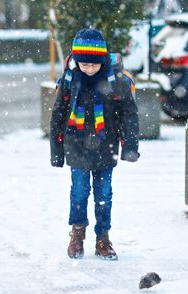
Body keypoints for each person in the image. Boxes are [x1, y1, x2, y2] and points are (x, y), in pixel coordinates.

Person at [50, 28, 139, 261]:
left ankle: (103, 238)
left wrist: (130, 146)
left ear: (102, 60)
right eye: (84, 64)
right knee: (79, 193)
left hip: (105, 144)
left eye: (94, 65)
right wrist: (56, 151)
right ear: (77, 61)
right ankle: (77, 235)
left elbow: (129, 113)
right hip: (76, 143)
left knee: (104, 194)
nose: (89, 69)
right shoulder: (70, 78)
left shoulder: (115, 79)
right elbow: (58, 113)